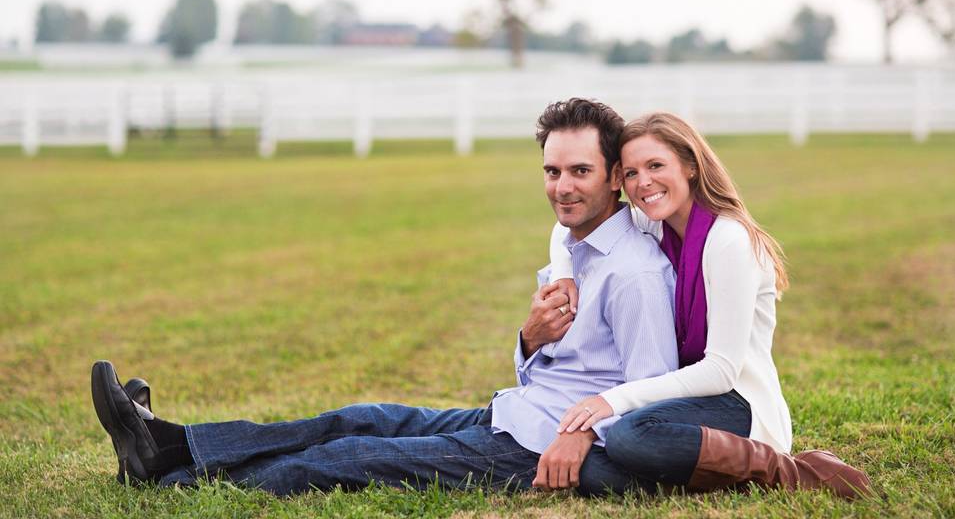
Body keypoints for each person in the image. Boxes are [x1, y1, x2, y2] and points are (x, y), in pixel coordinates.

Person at [90, 98, 680, 496]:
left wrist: (577, 436)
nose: (562, 187)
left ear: (613, 178)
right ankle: (171, 444)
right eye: (552, 172)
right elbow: (552, 366)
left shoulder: (634, 274)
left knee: (354, 459)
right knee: (361, 419)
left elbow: (650, 402)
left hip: (532, 447)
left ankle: (178, 480)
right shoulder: (573, 242)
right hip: (513, 415)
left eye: (579, 171)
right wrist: (529, 339)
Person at [543, 112, 870, 498]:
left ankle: (789, 470)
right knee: (594, 470)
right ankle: (703, 475)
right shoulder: (656, 224)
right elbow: (569, 224)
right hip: (685, 402)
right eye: (631, 173)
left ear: (691, 167)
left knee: (628, 436)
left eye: (655, 166)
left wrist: (609, 401)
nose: (643, 182)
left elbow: (721, 372)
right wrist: (561, 275)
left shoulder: (728, 241)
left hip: (739, 404)